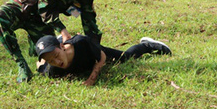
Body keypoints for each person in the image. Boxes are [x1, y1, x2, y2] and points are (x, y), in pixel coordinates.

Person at [0, 0, 111, 83]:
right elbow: (45, 9)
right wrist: (63, 31)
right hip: (21, 8)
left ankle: (34, 42)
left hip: (40, 22)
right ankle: (22, 65)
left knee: (51, 58)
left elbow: (89, 19)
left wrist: (95, 51)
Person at [35, 35, 171, 86]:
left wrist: (92, 78)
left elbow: (102, 57)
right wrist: (42, 65)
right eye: (51, 60)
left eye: (56, 56)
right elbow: (42, 68)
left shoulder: (81, 43)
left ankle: (148, 44)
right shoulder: (53, 70)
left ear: (61, 46)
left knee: (126, 57)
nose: (57, 62)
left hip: (95, 54)